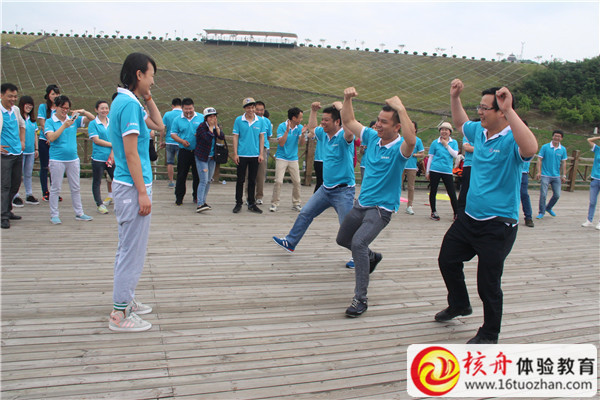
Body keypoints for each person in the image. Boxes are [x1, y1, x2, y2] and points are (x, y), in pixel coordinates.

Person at [435, 80, 537, 344]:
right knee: (447, 259)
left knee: (488, 283)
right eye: (478, 107)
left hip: (498, 224)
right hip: (469, 218)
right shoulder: (480, 132)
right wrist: (455, 97)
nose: (479, 112)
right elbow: (460, 123)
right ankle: (459, 304)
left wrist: (510, 109)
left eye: (485, 108)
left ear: (501, 112)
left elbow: (530, 149)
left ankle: (490, 333)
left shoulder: (512, 138)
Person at [336, 87, 416, 318]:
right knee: (343, 239)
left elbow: (411, 140)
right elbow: (349, 120)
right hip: (362, 204)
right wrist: (347, 99)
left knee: (358, 243)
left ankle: (360, 299)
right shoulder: (372, 137)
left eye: (384, 122)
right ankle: (372, 257)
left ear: (397, 126)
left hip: (381, 209)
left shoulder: (400, 149)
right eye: (378, 120)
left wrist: (401, 108)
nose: (378, 125)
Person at [108, 52, 164, 332]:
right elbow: (131, 153)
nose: (153, 82)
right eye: (151, 76)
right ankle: (120, 313)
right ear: (139, 74)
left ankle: (126, 299)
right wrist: (142, 192)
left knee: (127, 248)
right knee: (132, 251)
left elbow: (159, 125)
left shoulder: (127, 101)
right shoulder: (129, 105)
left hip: (128, 185)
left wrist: (148, 97)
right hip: (132, 187)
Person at [272, 102, 355, 263]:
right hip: (326, 189)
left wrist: (341, 108)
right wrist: (313, 111)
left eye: (326, 120)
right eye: (322, 119)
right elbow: (311, 128)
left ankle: (359, 256)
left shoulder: (344, 136)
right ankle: (290, 242)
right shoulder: (323, 134)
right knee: (305, 213)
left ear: (337, 121)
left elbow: (350, 129)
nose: (323, 123)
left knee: (346, 226)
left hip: (343, 191)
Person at [44, 95, 95, 224]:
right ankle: (54, 215)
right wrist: (64, 126)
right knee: (55, 188)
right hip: (57, 159)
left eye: (67, 108)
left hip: (73, 159)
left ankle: (79, 213)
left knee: (75, 187)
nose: (65, 110)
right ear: (56, 107)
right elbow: (51, 138)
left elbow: (92, 119)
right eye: (63, 108)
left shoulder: (73, 120)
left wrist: (83, 111)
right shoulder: (50, 121)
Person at [232, 97, 265, 214]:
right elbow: (235, 137)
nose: (250, 110)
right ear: (244, 108)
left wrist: (261, 153)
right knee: (240, 180)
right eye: (248, 108)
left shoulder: (260, 121)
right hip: (242, 154)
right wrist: (235, 153)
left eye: (252, 107)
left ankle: (251, 203)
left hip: (255, 155)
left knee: (252, 180)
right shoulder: (238, 120)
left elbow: (262, 137)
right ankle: (238, 202)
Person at [270, 107, 305, 212]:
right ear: (294, 118)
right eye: (300, 117)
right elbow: (281, 143)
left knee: (297, 181)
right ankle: (274, 203)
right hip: (281, 157)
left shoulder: (300, 127)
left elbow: (302, 144)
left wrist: (303, 134)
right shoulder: (282, 126)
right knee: (278, 181)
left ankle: (296, 203)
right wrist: (287, 131)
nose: (301, 120)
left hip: (293, 158)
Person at [1, 83, 26, 229]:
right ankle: (3, 216)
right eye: (10, 96)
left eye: (15, 96)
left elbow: (22, 125)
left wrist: (22, 141)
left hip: (17, 152)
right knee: (4, 186)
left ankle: (7, 209)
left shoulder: (15, 110)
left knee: (15, 184)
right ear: (1, 95)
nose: (13, 99)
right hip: (4, 155)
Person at [171, 98, 203, 206]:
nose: (188, 111)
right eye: (186, 109)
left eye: (190, 108)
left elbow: (207, 131)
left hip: (198, 151)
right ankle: (179, 197)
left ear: (193, 107)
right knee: (181, 175)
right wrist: (181, 141)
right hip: (184, 151)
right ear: (182, 108)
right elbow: (173, 134)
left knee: (197, 175)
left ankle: (197, 197)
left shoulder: (201, 118)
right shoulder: (177, 120)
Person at [194, 107, 225, 212]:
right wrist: (211, 128)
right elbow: (207, 139)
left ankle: (203, 201)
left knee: (208, 180)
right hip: (202, 157)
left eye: (214, 116)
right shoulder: (201, 127)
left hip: (212, 157)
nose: (213, 118)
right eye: (210, 117)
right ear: (206, 118)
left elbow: (221, 136)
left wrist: (216, 127)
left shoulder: (215, 127)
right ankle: (199, 204)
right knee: (203, 180)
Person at [426, 122, 459, 221]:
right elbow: (430, 157)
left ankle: (456, 213)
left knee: (451, 192)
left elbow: (455, 155)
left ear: (450, 132)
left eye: (446, 130)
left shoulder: (454, 142)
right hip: (435, 169)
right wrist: (427, 172)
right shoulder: (435, 143)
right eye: (442, 129)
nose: (444, 132)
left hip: (447, 170)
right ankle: (433, 212)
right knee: (433, 191)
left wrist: (446, 145)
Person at [88, 100, 114, 214]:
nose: (105, 110)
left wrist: (113, 151)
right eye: (102, 108)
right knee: (97, 181)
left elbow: (116, 138)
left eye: (106, 108)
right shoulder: (93, 124)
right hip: (98, 157)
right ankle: (99, 204)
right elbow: (96, 140)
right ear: (96, 110)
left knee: (116, 180)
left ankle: (120, 202)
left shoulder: (112, 122)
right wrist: (112, 145)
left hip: (111, 157)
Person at [535, 130, 568, 219]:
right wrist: (539, 172)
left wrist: (564, 175)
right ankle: (541, 212)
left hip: (556, 176)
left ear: (561, 138)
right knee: (543, 194)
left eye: (559, 136)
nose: (557, 138)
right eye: (555, 136)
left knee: (557, 195)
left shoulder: (563, 149)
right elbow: (539, 159)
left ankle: (548, 207)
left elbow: (564, 162)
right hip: (545, 175)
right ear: (552, 136)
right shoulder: (545, 147)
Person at [37, 84, 60, 202]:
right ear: (48, 95)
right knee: (45, 167)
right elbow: (42, 124)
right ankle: (45, 191)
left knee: (55, 167)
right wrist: (48, 137)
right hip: (44, 140)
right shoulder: (43, 107)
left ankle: (55, 191)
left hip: (55, 141)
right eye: (53, 94)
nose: (55, 96)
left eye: (57, 94)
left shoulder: (59, 107)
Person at [17, 95, 40, 205]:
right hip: (20, 151)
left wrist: (36, 148)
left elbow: (35, 134)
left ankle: (29, 194)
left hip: (31, 151)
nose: (29, 107)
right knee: (18, 174)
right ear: (22, 105)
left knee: (28, 173)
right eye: (27, 104)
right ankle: (15, 195)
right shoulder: (18, 118)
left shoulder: (32, 120)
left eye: (31, 105)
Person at [249, 100, 272, 204]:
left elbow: (268, 136)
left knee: (261, 174)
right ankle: (248, 196)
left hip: (263, 149)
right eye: (257, 109)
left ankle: (259, 196)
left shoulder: (267, 121)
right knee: (249, 174)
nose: (259, 112)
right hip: (251, 149)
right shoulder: (250, 120)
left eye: (261, 110)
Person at [401, 121, 424, 215]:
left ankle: (409, 206)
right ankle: (394, 204)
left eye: (412, 127)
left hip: (412, 166)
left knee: (411, 186)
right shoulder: (401, 139)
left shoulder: (418, 140)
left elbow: (422, 154)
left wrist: (414, 155)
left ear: (415, 129)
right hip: (401, 165)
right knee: (397, 184)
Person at [160, 98, 182, 187]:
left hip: (169, 141)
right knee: (181, 163)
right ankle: (180, 181)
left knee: (170, 162)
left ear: (172, 105)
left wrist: (161, 140)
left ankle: (171, 181)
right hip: (180, 141)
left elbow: (162, 128)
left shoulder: (167, 114)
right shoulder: (183, 114)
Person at [581, 135, 600, 229]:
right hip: (595, 178)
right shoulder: (597, 149)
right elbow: (589, 140)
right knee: (592, 201)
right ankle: (589, 220)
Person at [519, 121, 534, 227]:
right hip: (510, 171)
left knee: (524, 194)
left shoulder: (528, 140)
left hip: (523, 172)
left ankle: (528, 217)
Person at [456, 133, 474, 212]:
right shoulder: (467, 136)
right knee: (465, 188)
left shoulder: (484, 135)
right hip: (469, 165)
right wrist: (482, 148)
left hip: (481, 166)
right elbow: (467, 148)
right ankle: (460, 211)